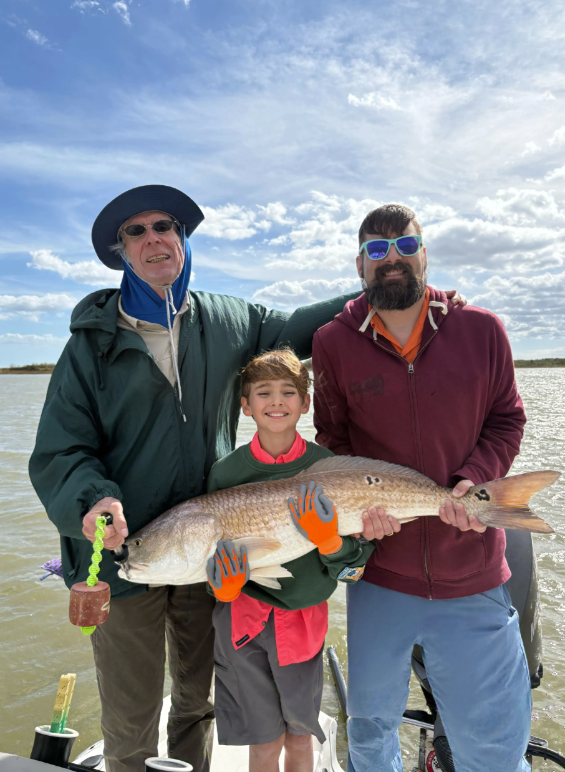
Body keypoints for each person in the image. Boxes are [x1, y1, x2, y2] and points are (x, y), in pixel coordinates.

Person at [28, 185, 366, 772]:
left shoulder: (228, 320)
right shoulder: (90, 347)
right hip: (123, 554)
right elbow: (61, 450)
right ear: (121, 252)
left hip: (211, 548)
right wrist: (92, 499)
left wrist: (382, 288)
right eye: (136, 232)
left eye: (166, 226)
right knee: (130, 719)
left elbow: (308, 324)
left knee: (195, 703)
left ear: (182, 240)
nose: (154, 237)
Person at [312, 204, 531, 772]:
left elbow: (507, 420)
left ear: (425, 254)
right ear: (360, 264)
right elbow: (332, 441)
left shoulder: (482, 330)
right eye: (378, 251)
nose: (393, 260)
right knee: (369, 734)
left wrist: (473, 481)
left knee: (493, 748)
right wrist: (360, 512)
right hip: (382, 575)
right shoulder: (332, 343)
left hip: (473, 572)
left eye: (405, 247)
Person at [205, 349, 374, 772]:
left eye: (288, 392)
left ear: (305, 402)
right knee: (262, 745)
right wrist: (223, 587)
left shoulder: (329, 466)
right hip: (241, 628)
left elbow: (355, 570)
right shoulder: (225, 473)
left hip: (303, 624)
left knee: (300, 740)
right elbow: (207, 556)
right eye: (263, 392)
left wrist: (330, 541)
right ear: (245, 405)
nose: (276, 401)